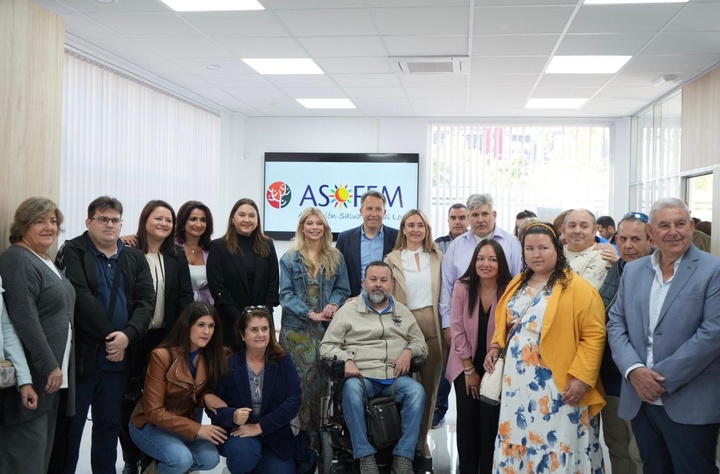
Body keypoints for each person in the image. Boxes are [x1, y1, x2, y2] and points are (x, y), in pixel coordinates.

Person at [608, 198, 720, 474]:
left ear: (691, 226)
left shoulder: (713, 269)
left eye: (680, 224)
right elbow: (615, 322)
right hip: (640, 400)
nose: (673, 231)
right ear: (652, 232)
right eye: (665, 225)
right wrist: (634, 371)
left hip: (690, 400)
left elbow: (712, 332)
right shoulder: (633, 271)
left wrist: (658, 378)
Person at [484, 222, 606, 472]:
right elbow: (503, 321)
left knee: (556, 442)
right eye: (529, 248)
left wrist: (582, 378)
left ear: (557, 249)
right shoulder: (518, 282)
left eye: (543, 248)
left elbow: (594, 335)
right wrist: (496, 345)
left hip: (558, 384)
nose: (536, 254)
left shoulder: (578, 288)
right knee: (517, 437)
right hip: (516, 385)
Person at [55, 196, 155, 474]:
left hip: (118, 360)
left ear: (122, 223)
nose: (110, 225)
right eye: (103, 219)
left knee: (108, 425)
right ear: (89, 222)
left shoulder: (134, 257)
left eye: (115, 220)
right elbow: (81, 298)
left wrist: (129, 336)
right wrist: (115, 336)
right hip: (82, 356)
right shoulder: (73, 251)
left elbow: (147, 301)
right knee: (71, 427)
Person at [320, 262, 428, 474]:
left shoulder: (402, 312)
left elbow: (420, 344)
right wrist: (346, 359)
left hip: (395, 378)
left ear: (392, 284)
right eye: (373, 279)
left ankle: (403, 456)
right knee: (350, 392)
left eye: (383, 280)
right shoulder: (348, 311)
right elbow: (327, 346)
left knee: (417, 392)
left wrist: (408, 352)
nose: (378, 285)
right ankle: (364, 456)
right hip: (362, 377)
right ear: (364, 282)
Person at [0, 198, 76, 473]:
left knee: (41, 460)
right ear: (22, 226)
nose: (49, 227)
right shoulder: (18, 259)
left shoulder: (44, 259)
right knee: (25, 460)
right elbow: (25, 320)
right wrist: (49, 365)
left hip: (51, 379)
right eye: (40, 221)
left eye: (53, 221)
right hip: (33, 376)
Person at [120, 200, 195, 474]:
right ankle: (130, 458)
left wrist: (183, 337)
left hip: (166, 339)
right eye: (158, 218)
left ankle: (151, 458)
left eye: (168, 220)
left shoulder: (177, 255)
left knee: (160, 402)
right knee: (127, 401)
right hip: (133, 338)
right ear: (145, 220)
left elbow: (186, 296)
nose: (164, 224)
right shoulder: (127, 251)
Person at [210, 306, 314, 474]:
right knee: (245, 456)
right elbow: (213, 404)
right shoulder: (229, 363)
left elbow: (294, 400)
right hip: (240, 434)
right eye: (254, 330)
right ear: (243, 335)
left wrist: (261, 426)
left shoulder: (283, 360)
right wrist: (233, 415)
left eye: (265, 329)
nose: (261, 334)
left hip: (274, 434)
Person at [129, 301, 227, 474]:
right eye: (201, 325)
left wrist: (205, 397)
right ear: (188, 326)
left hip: (180, 425)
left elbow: (194, 391)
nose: (206, 331)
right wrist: (197, 428)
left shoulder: (210, 356)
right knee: (181, 459)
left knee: (211, 458)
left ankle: (158, 470)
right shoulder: (162, 356)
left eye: (211, 326)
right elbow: (153, 412)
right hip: (147, 424)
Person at [279, 207, 350, 433]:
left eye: (319, 224)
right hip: (296, 332)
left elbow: (343, 288)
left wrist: (334, 304)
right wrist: (308, 312)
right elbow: (286, 295)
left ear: (325, 228)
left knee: (322, 386)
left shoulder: (335, 256)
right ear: (302, 227)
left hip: (326, 330)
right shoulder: (289, 258)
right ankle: (299, 437)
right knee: (298, 387)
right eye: (310, 223)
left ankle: (321, 437)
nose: (314, 227)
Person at [447, 239, 511, 474]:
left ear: (500, 263)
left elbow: (509, 329)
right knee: (467, 421)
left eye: (492, 259)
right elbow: (457, 329)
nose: (486, 264)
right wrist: (469, 370)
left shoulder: (510, 288)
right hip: (465, 365)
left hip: (496, 366)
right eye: (481, 258)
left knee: (490, 422)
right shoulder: (462, 286)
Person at [384, 209, 442, 469]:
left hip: (433, 325)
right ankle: (401, 442)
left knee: (429, 386)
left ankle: (423, 437)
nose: (416, 229)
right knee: (404, 387)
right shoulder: (392, 258)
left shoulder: (438, 257)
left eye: (420, 225)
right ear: (403, 229)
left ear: (426, 229)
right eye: (411, 225)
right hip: (403, 326)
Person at [440, 194, 521, 367]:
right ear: (469, 217)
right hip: (462, 327)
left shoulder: (511, 243)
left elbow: (518, 286)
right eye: (475, 215)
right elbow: (447, 287)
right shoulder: (457, 245)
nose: (481, 219)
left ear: (495, 215)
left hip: (500, 326)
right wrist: (447, 325)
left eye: (485, 214)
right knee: (465, 381)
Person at [598, 212, 652, 474]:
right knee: (617, 446)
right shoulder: (610, 274)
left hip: (644, 380)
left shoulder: (658, 276)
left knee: (641, 450)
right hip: (610, 378)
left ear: (650, 240)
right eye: (623, 238)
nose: (628, 245)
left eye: (636, 239)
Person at [207, 198, 279, 348]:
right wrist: (241, 319)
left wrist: (261, 317)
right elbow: (218, 288)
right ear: (233, 219)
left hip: (262, 325)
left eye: (252, 216)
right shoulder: (219, 247)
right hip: (230, 322)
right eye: (242, 215)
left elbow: (273, 283)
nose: (247, 219)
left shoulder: (268, 245)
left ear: (257, 221)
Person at [433, 203, 469, 429]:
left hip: (471, 311)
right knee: (446, 362)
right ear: (448, 221)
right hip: (445, 311)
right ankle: (439, 407)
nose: (457, 221)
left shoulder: (480, 244)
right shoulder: (437, 245)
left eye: (462, 217)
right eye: (453, 218)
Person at [335, 190, 399, 297]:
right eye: (369, 209)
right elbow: (337, 275)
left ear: (384, 212)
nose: (373, 214)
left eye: (378, 209)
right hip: (353, 303)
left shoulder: (397, 237)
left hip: (387, 304)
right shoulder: (345, 238)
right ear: (361, 211)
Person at [563, 208, 616, 289]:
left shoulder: (601, 255)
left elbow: (582, 293)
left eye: (584, 226)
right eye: (572, 226)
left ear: (595, 230)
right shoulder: (555, 252)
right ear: (563, 229)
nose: (577, 231)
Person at [176, 200, 215, 303]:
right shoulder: (171, 247)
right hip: (178, 308)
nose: (199, 224)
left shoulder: (212, 250)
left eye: (203, 220)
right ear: (183, 221)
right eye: (193, 219)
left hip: (207, 309)